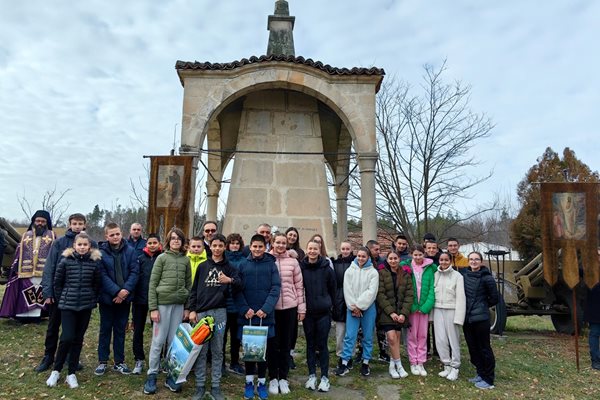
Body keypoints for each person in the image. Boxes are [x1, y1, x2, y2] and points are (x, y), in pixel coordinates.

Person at [37, 213, 93, 373]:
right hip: (58, 293)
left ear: (84, 225)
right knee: (53, 326)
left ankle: (71, 357)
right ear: (69, 224)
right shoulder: (59, 243)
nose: (77, 226)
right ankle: (48, 356)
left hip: (79, 295)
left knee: (75, 330)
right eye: (74, 223)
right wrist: (48, 292)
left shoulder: (90, 243)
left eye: (80, 223)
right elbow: (50, 267)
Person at [45, 232, 102, 389]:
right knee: (67, 337)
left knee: (78, 339)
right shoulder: (65, 261)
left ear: (89, 247)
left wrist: (91, 298)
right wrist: (63, 297)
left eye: (85, 245)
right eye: (79, 245)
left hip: (85, 306)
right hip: (68, 305)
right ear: (74, 246)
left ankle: (71, 373)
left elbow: (97, 284)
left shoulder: (94, 263)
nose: (82, 247)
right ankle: (56, 370)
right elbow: (58, 283)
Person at [190, 234, 241, 400]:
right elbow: (194, 290)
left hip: (220, 312)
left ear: (224, 247)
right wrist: (192, 310)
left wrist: (230, 280)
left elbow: (240, 282)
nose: (217, 248)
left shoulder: (229, 266)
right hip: (202, 312)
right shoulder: (203, 266)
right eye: (214, 246)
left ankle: (216, 386)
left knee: (218, 350)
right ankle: (199, 385)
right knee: (201, 350)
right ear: (209, 247)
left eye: (220, 245)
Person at [143, 228, 192, 394]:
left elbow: (188, 284)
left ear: (183, 242)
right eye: (173, 238)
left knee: (173, 343)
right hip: (162, 305)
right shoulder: (161, 258)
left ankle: (171, 375)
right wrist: (153, 308)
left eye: (179, 239)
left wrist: (187, 307)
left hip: (178, 306)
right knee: (158, 341)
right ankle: (152, 375)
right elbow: (152, 284)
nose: (176, 241)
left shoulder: (185, 261)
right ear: (168, 241)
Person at [234, 234, 281, 400]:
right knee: (249, 351)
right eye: (254, 246)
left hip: (264, 316)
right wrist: (244, 308)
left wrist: (266, 309)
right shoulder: (242, 265)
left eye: (260, 246)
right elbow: (236, 289)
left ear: (265, 247)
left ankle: (261, 383)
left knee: (262, 351)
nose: (257, 249)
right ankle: (248, 382)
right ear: (250, 246)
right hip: (247, 316)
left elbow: (276, 288)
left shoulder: (271, 265)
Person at [95, 222, 139, 376]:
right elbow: (102, 275)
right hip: (108, 299)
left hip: (125, 299)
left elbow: (135, 272)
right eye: (111, 234)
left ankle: (119, 362)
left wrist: (125, 291)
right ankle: (102, 361)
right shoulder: (100, 253)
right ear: (106, 236)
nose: (115, 237)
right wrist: (116, 292)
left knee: (120, 330)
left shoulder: (131, 251)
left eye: (117, 234)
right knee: (105, 329)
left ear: (122, 234)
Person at [267, 233, 305, 395]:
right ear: (273, 243)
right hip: (271, 308)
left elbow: (299, 285)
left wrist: (301, 307)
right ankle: (273, 377)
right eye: (278, 242)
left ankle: (283, 377)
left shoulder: (293, 261)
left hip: (290, 307)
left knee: (286, 344)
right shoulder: (267, 259)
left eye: (283, 243)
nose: (281, 245)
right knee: (272, 344)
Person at [0, 210, 55, 320]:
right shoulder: (26, 235)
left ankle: (37, 316)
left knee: (39, 291)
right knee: (26, 292)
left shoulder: (52, 236)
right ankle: (23, 316)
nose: (40, 223)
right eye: (38, 221)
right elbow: (18, 253)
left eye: (43, 221)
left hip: (43, 271)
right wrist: (15, 267)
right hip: (26, 271)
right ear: (33, 221)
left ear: (47, 222)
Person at [334, 246, 379, 377]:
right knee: (350, 336)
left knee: (368, 336)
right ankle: (345, 362)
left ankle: (365, 362)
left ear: (368, 258)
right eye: (359, 256)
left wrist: (360, 306)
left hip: (368, 308)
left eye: (363, 256)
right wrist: (354, 307)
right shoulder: (350, 271)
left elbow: (372, 292)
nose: (360, 258)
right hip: (352, 308)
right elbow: (347, 289)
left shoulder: (373, 272)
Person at [301, 240, 336, 392]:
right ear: (307, 250)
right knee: (310, 344)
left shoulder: (327, 268)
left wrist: (330, 306)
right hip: (308, 313)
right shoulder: (301, 267)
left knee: (322, 345)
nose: (313, 251)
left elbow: (333, 289)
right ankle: (311, 375)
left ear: (319, 250)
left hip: (323, 313)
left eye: (315, 249)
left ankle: (325, 377)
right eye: (310, 249)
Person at [461, 251, 499, 390]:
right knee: (473, 348)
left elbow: (494, 298)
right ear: (468, 261)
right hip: (467, 318)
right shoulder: (464, 276)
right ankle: (480, 373)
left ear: (481, 261)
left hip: (481, 319)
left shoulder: (487, 278)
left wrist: (482, 306)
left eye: (476, 259)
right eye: (471, 259)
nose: (474, 261)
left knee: (484, 348)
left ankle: (489, 379)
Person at [376, 251, 413, 379]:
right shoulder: (382, 273)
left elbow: (409, 295)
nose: (393, 261)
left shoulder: (406, 274)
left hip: (401, 311)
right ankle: (400, 365)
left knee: (396, 339)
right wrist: (391, 312)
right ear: (387, 260)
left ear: (399, 259)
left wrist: (403, 313)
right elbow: (380, 294)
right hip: (387, 312)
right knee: (391, 338)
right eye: (390, 258)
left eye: (395, 258)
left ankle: (392, 365)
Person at [131, 234, 162, 375]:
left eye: (155, 242)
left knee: (159, 331)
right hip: (140, 299)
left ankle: (159, 359)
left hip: (159, 299)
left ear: (159, 243)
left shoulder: (163, 257)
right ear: (146, 244)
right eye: (150, 243)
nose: (152, 245)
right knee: (138, 330)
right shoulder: (140, 258)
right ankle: (139, 358)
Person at [432, 252, 465, 381]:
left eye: (446, 260)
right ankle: (446, 365)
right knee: (440, 339)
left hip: (451, 310)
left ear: (450, 261)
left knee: (453, 339)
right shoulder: (436, 275)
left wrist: (459, 317)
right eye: (441, 260)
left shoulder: (457, 276)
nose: (444, 262)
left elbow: (461, 298)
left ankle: (455, 366)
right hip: (438, 310)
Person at [404, 245, 435, 376]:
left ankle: (421, 361)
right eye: (415, 255)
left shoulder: (431, 268)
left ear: (424, 254)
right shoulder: (406, 267)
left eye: (420, 255)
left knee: (423, 335)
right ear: (411, 254)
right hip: (412, 307)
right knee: (412, 335)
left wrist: (426, 306)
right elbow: (404, 287)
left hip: (424, 308)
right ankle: (413, 361)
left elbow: (432, 289)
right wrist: (411, 306)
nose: (417, 257)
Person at [224, 233, 246, 375]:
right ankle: (220, 363)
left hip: (238, 304)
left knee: (236, 336)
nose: (234, 246)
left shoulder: (244, 261)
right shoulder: (223, 260)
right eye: (232, 243)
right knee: (222, 336)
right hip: (224, 303)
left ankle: (234, 361)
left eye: (237, 243)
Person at [332, 241, 354, 364]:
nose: (345, 251)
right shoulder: (335, 263)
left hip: (352, 298)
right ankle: (340, 353)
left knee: (351, 330)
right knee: (340, 330)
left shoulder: (356, 263)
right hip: (339, 298)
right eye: (343, 248)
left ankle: (350, 354)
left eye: (347, 248)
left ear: (351, 249)